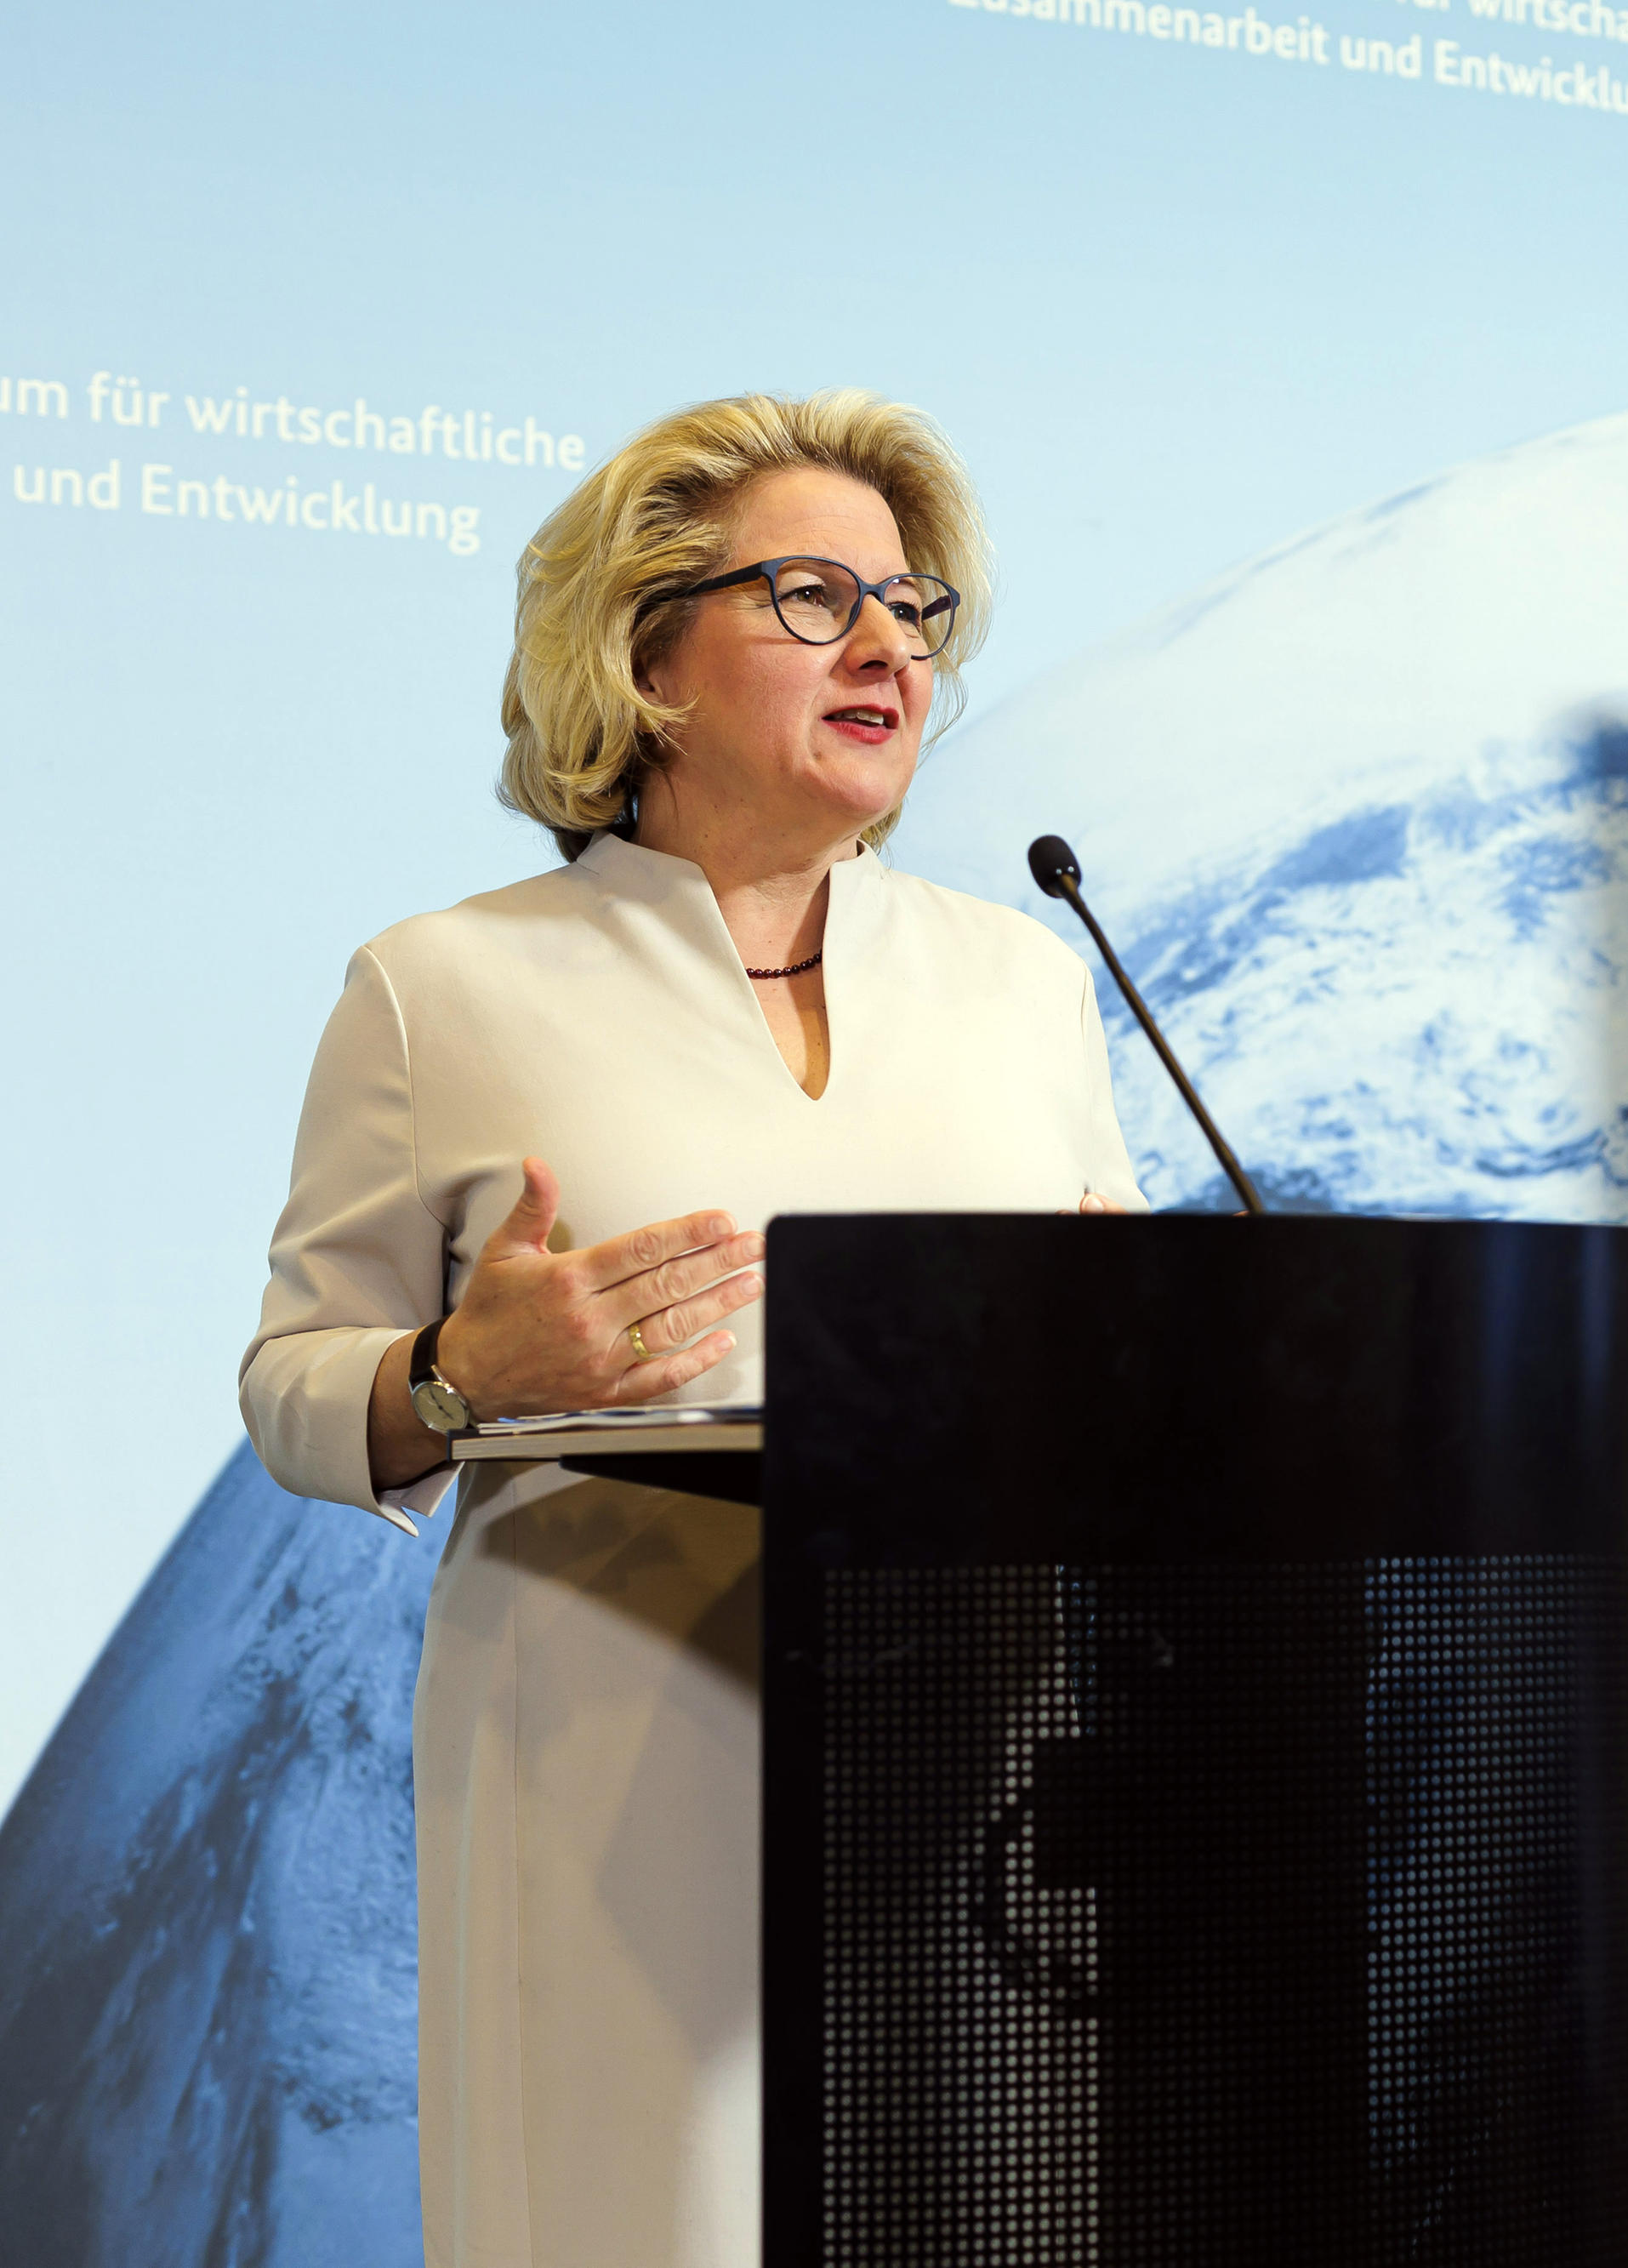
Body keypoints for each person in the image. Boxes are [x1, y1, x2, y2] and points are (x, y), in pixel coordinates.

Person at [239, 391, 1146, 2266]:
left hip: (979, 1773)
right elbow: (293, 1388)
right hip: (616, 1759)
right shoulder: (447, 984)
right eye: (813, 597)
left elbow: (1118, 1342)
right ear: (643, 654)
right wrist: (464, 1376)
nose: (890, 645)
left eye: (914, 606)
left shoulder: (1018, 978)